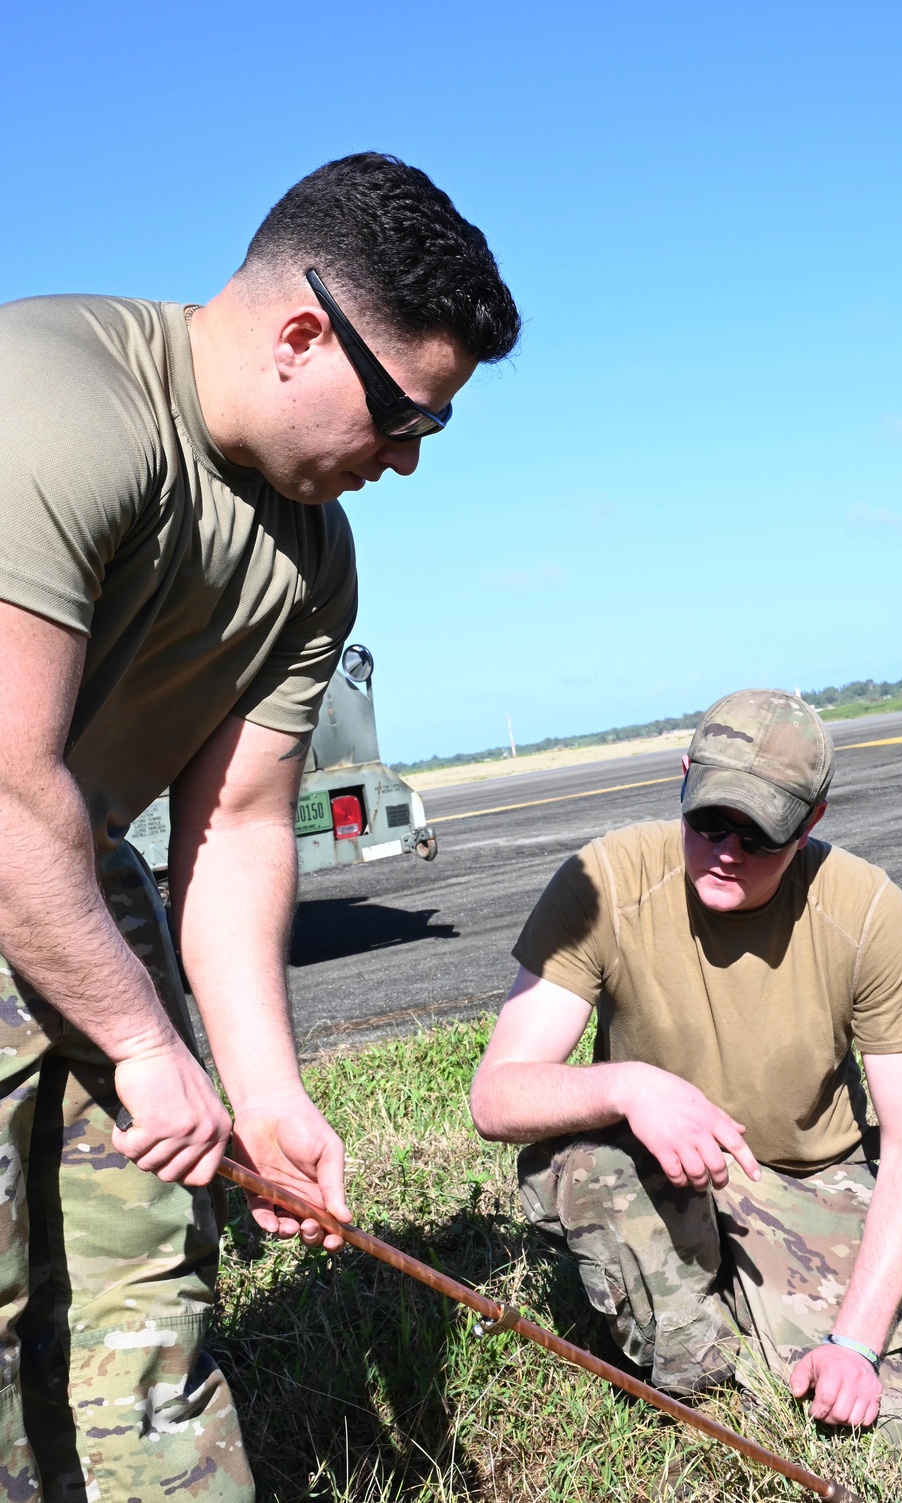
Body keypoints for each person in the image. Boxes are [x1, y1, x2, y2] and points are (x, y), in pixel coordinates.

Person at [0, 151, 519, 1500]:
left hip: (66, 862)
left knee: (148, 1297)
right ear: (303, 334)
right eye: (406, 415)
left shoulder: (314, 554)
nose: (406, 461)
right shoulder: (55, 404)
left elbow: (232, 828)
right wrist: (137, 1038)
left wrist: (266, 1091)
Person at [470, 689, 902, 1449]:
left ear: (812, 821)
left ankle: (770, 1319)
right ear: (684, 778)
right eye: (709, 820)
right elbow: (496, 1096)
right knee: (583, 1162)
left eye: (760, 833)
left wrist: (858, 1342)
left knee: (885, 1425)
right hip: (657, 1163)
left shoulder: (864, 913)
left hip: (803, 1177)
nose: (727, 849)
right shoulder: (605, 883)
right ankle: (695, 1366)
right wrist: (632, 1085)